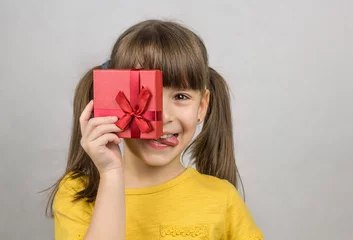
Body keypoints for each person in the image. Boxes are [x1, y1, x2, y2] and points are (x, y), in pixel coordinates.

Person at [47, 19, 264, 240]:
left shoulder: (222, 198)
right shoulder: (77, 194)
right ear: (113, 98)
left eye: (181, 97)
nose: (163, 118)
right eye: (145, 95)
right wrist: (111, 174)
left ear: (201, 107)